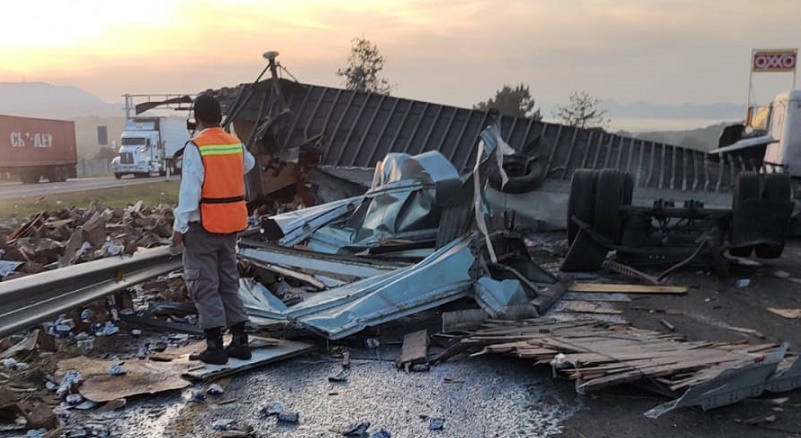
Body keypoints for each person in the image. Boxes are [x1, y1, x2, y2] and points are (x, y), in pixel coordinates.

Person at [171, 93, 256, 365]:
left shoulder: (196, 146)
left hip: (203, 226)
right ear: (220, 118)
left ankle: (215, 346)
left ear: (196, 119)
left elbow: (189, 193)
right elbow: (249, 165)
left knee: (204, 284)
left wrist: (178, 229)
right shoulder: (235, 144)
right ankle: (240, 341)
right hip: (231, 225)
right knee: (228, 282)